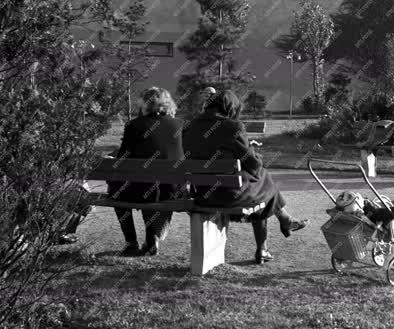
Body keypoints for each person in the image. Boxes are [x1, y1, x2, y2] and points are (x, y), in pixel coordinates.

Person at [182, 89, 307, 264]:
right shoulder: (232, 126)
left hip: (203, 194)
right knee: (263, 181)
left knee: (261, 184)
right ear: (230, 107)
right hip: (228, 196)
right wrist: (253, 150)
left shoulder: (188, 126)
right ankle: (267, 242)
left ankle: (285, 220)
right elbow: (254, 165)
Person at [108, 87, 184, 256]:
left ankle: (131, 242)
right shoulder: (178, 124)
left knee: (118, 190)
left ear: (145, 104)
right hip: (171, 190)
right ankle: (152, 238)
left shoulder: (134, 125)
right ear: (167, 103)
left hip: (139, 191)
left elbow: (122, 160)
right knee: (152, 187)